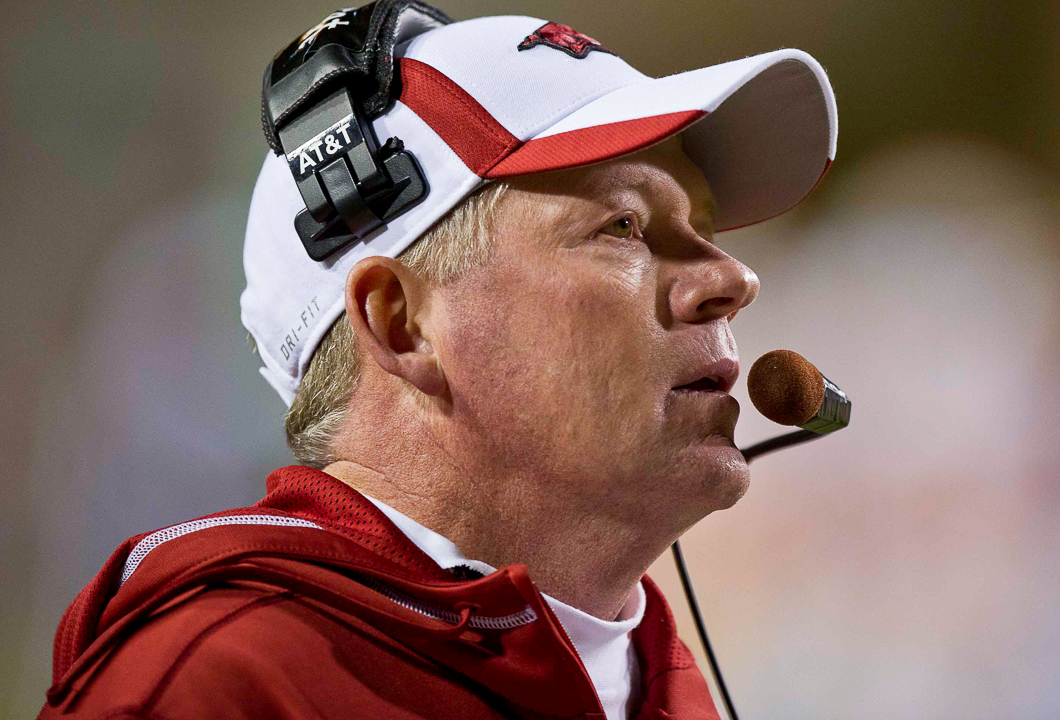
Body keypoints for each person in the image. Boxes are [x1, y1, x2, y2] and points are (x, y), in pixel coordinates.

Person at [39, 7, 836, 719]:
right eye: (623, 226)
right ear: (402, 325)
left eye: (703, 227)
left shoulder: (656, 681)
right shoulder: (212, 688)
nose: (733, 279)